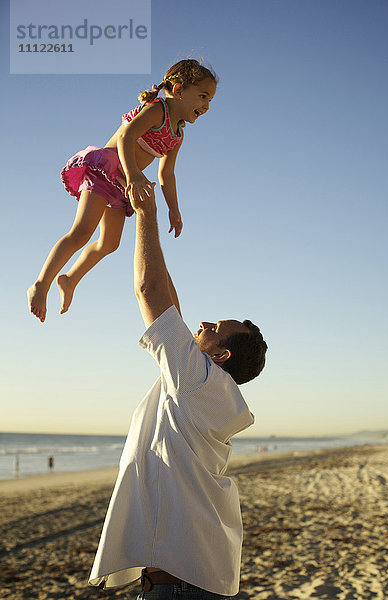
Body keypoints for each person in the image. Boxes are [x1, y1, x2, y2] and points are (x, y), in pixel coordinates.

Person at [88, 186, 268, 599]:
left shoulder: (197, 381)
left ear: (220, 354)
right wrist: (141, 220)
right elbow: (169, 302)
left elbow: (150, 291)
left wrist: (147, 211)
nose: (201, 324)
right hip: (192, 581)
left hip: (178, 589)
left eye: (213, 328)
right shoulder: (209, 388)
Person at [27, 59, 217, 322]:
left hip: (123, 184)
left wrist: (174, 208)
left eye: (210, 101)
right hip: (107, 170)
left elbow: (166, 174)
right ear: (178, 89)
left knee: (109, 243)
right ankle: (40, 283)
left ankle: (70, 279)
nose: (206, 106)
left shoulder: (177, 134)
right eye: (203, 96)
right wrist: (134, 174)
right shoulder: (156, 110)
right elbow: (127, 138)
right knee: (82, 231)